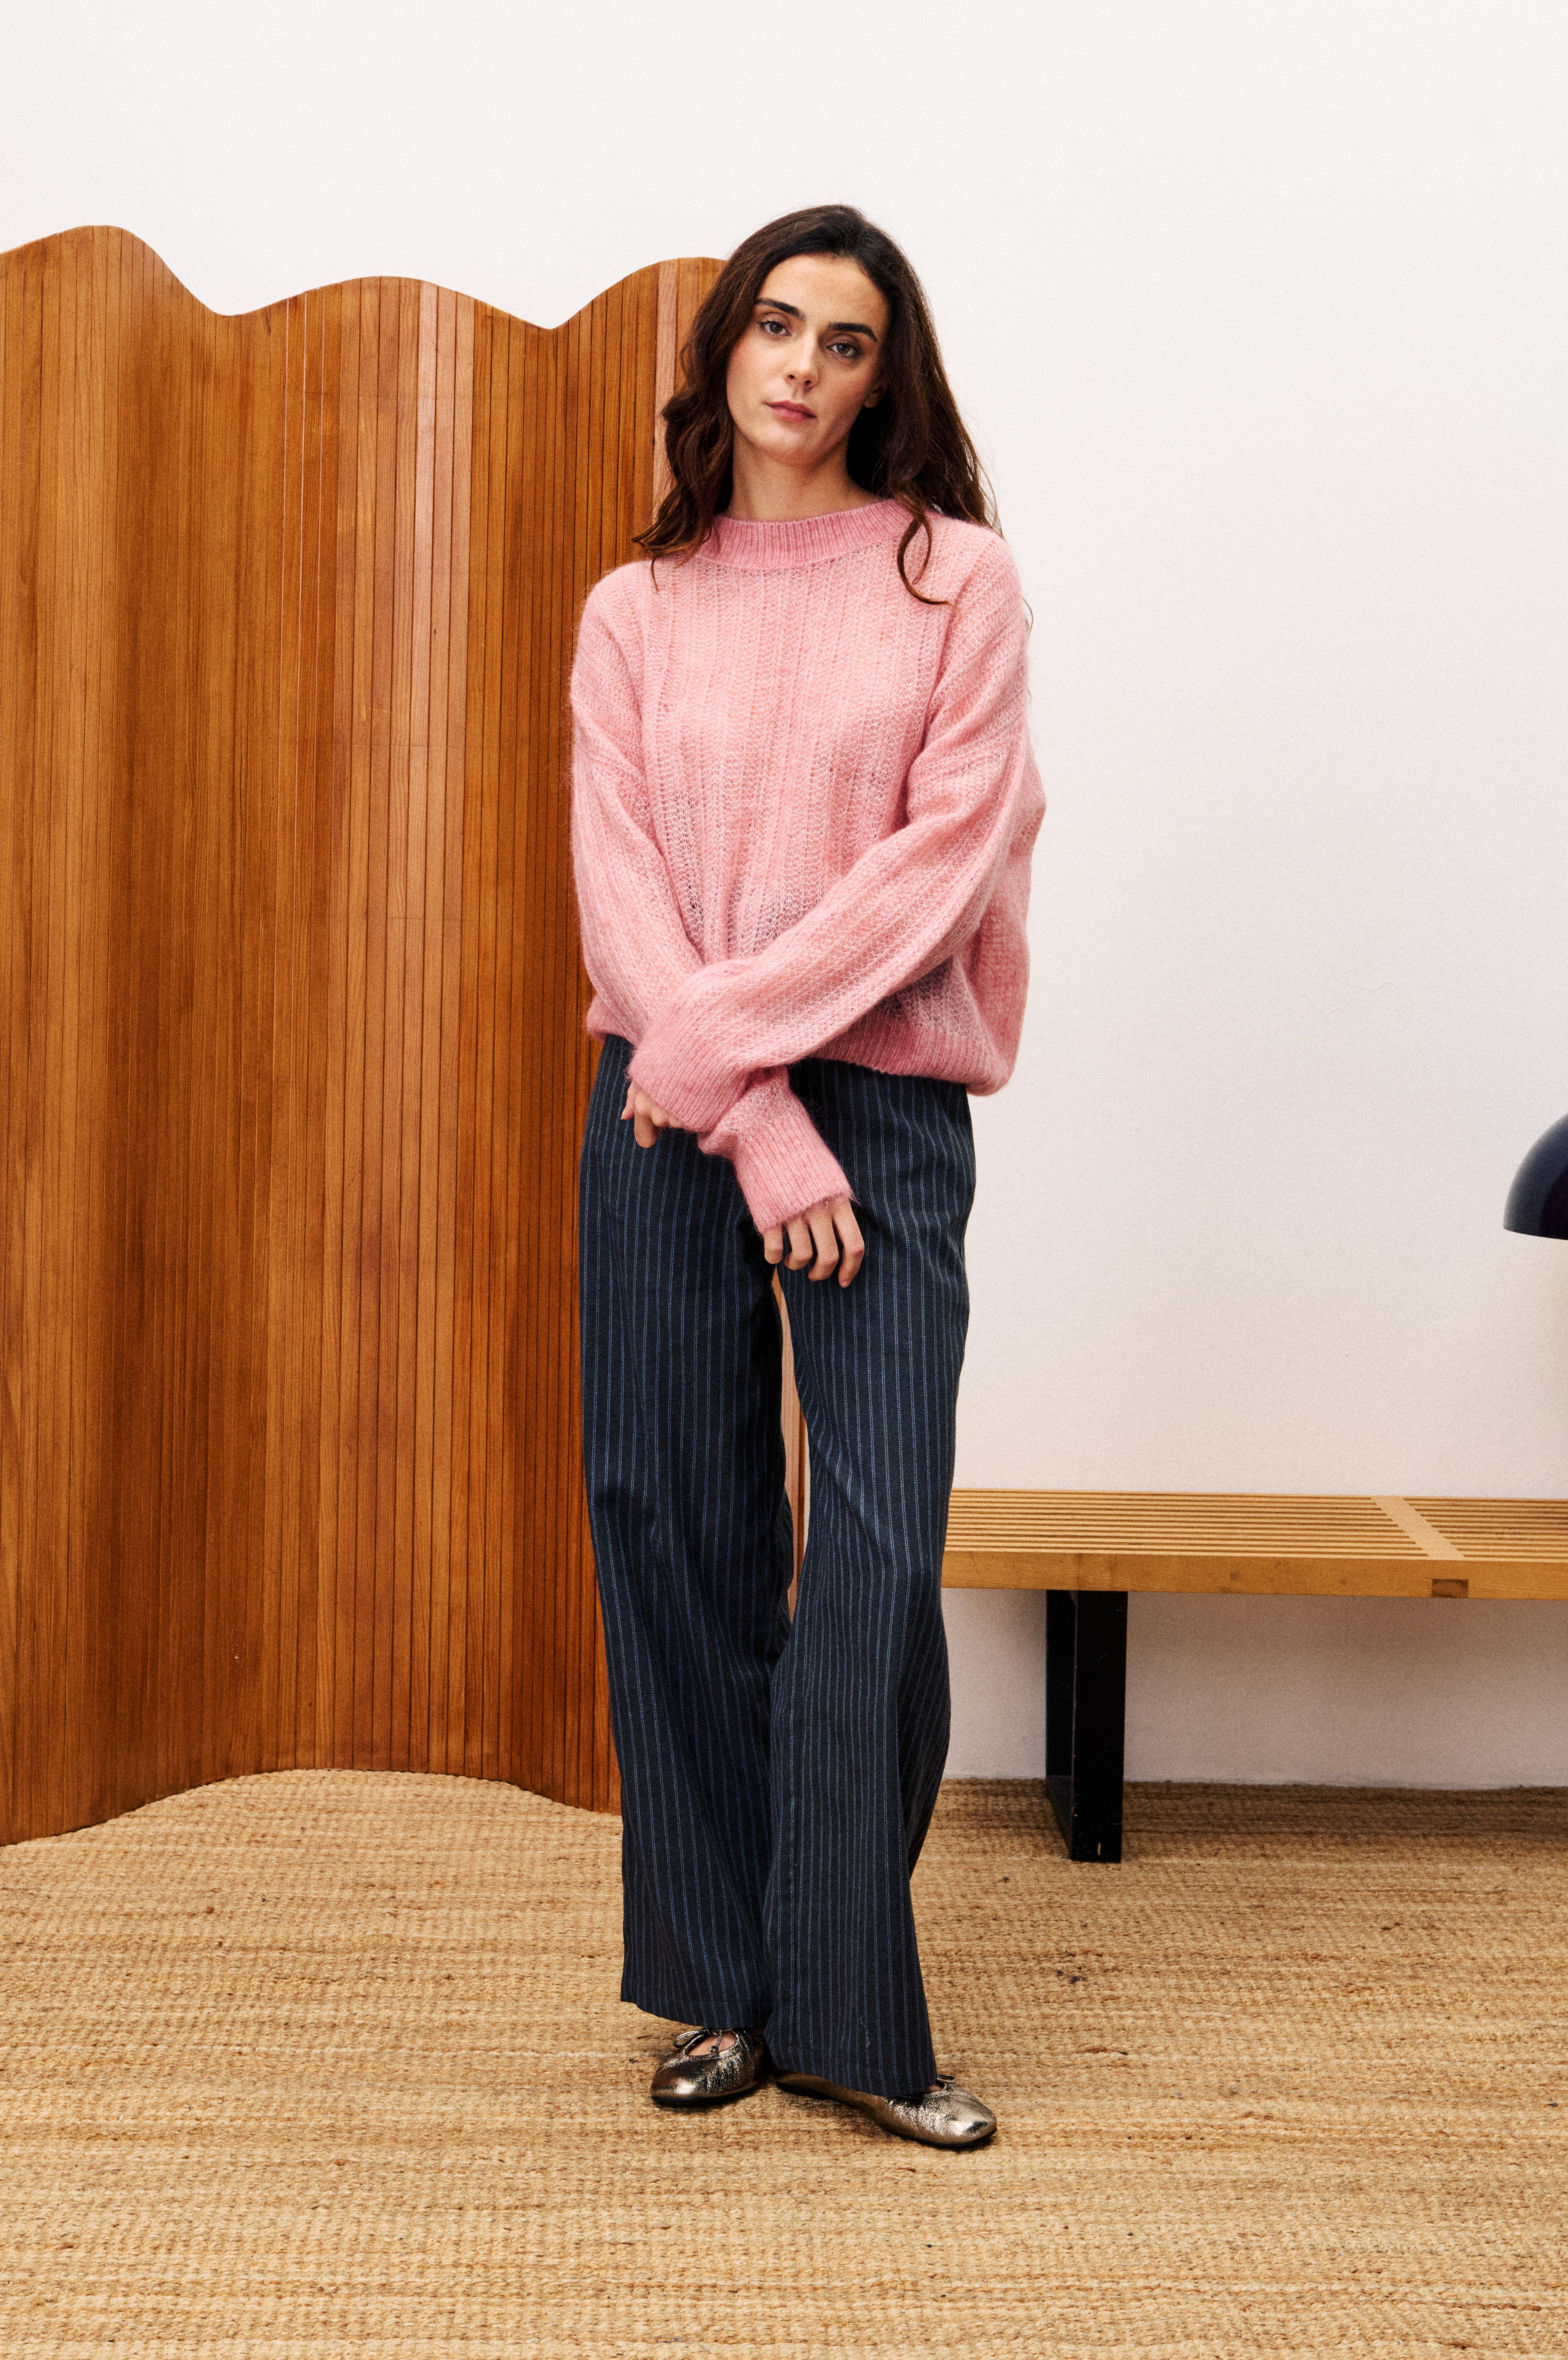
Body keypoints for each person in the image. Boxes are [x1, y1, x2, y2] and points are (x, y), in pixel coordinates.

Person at [569, 202, 1044, 2150]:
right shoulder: (638, 608)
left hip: (886, 1108)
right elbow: (620, 886)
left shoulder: (957, 583)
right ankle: (726, 1985)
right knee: (673, 1524)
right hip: (676, 1115)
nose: (803, 368)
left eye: (846, 342)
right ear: (727, 347)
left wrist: (763, 1073)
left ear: (883, 376)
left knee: (872, 1556)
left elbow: (942, 865)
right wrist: (749, 1115)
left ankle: (852, 2009)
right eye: (778, 326)